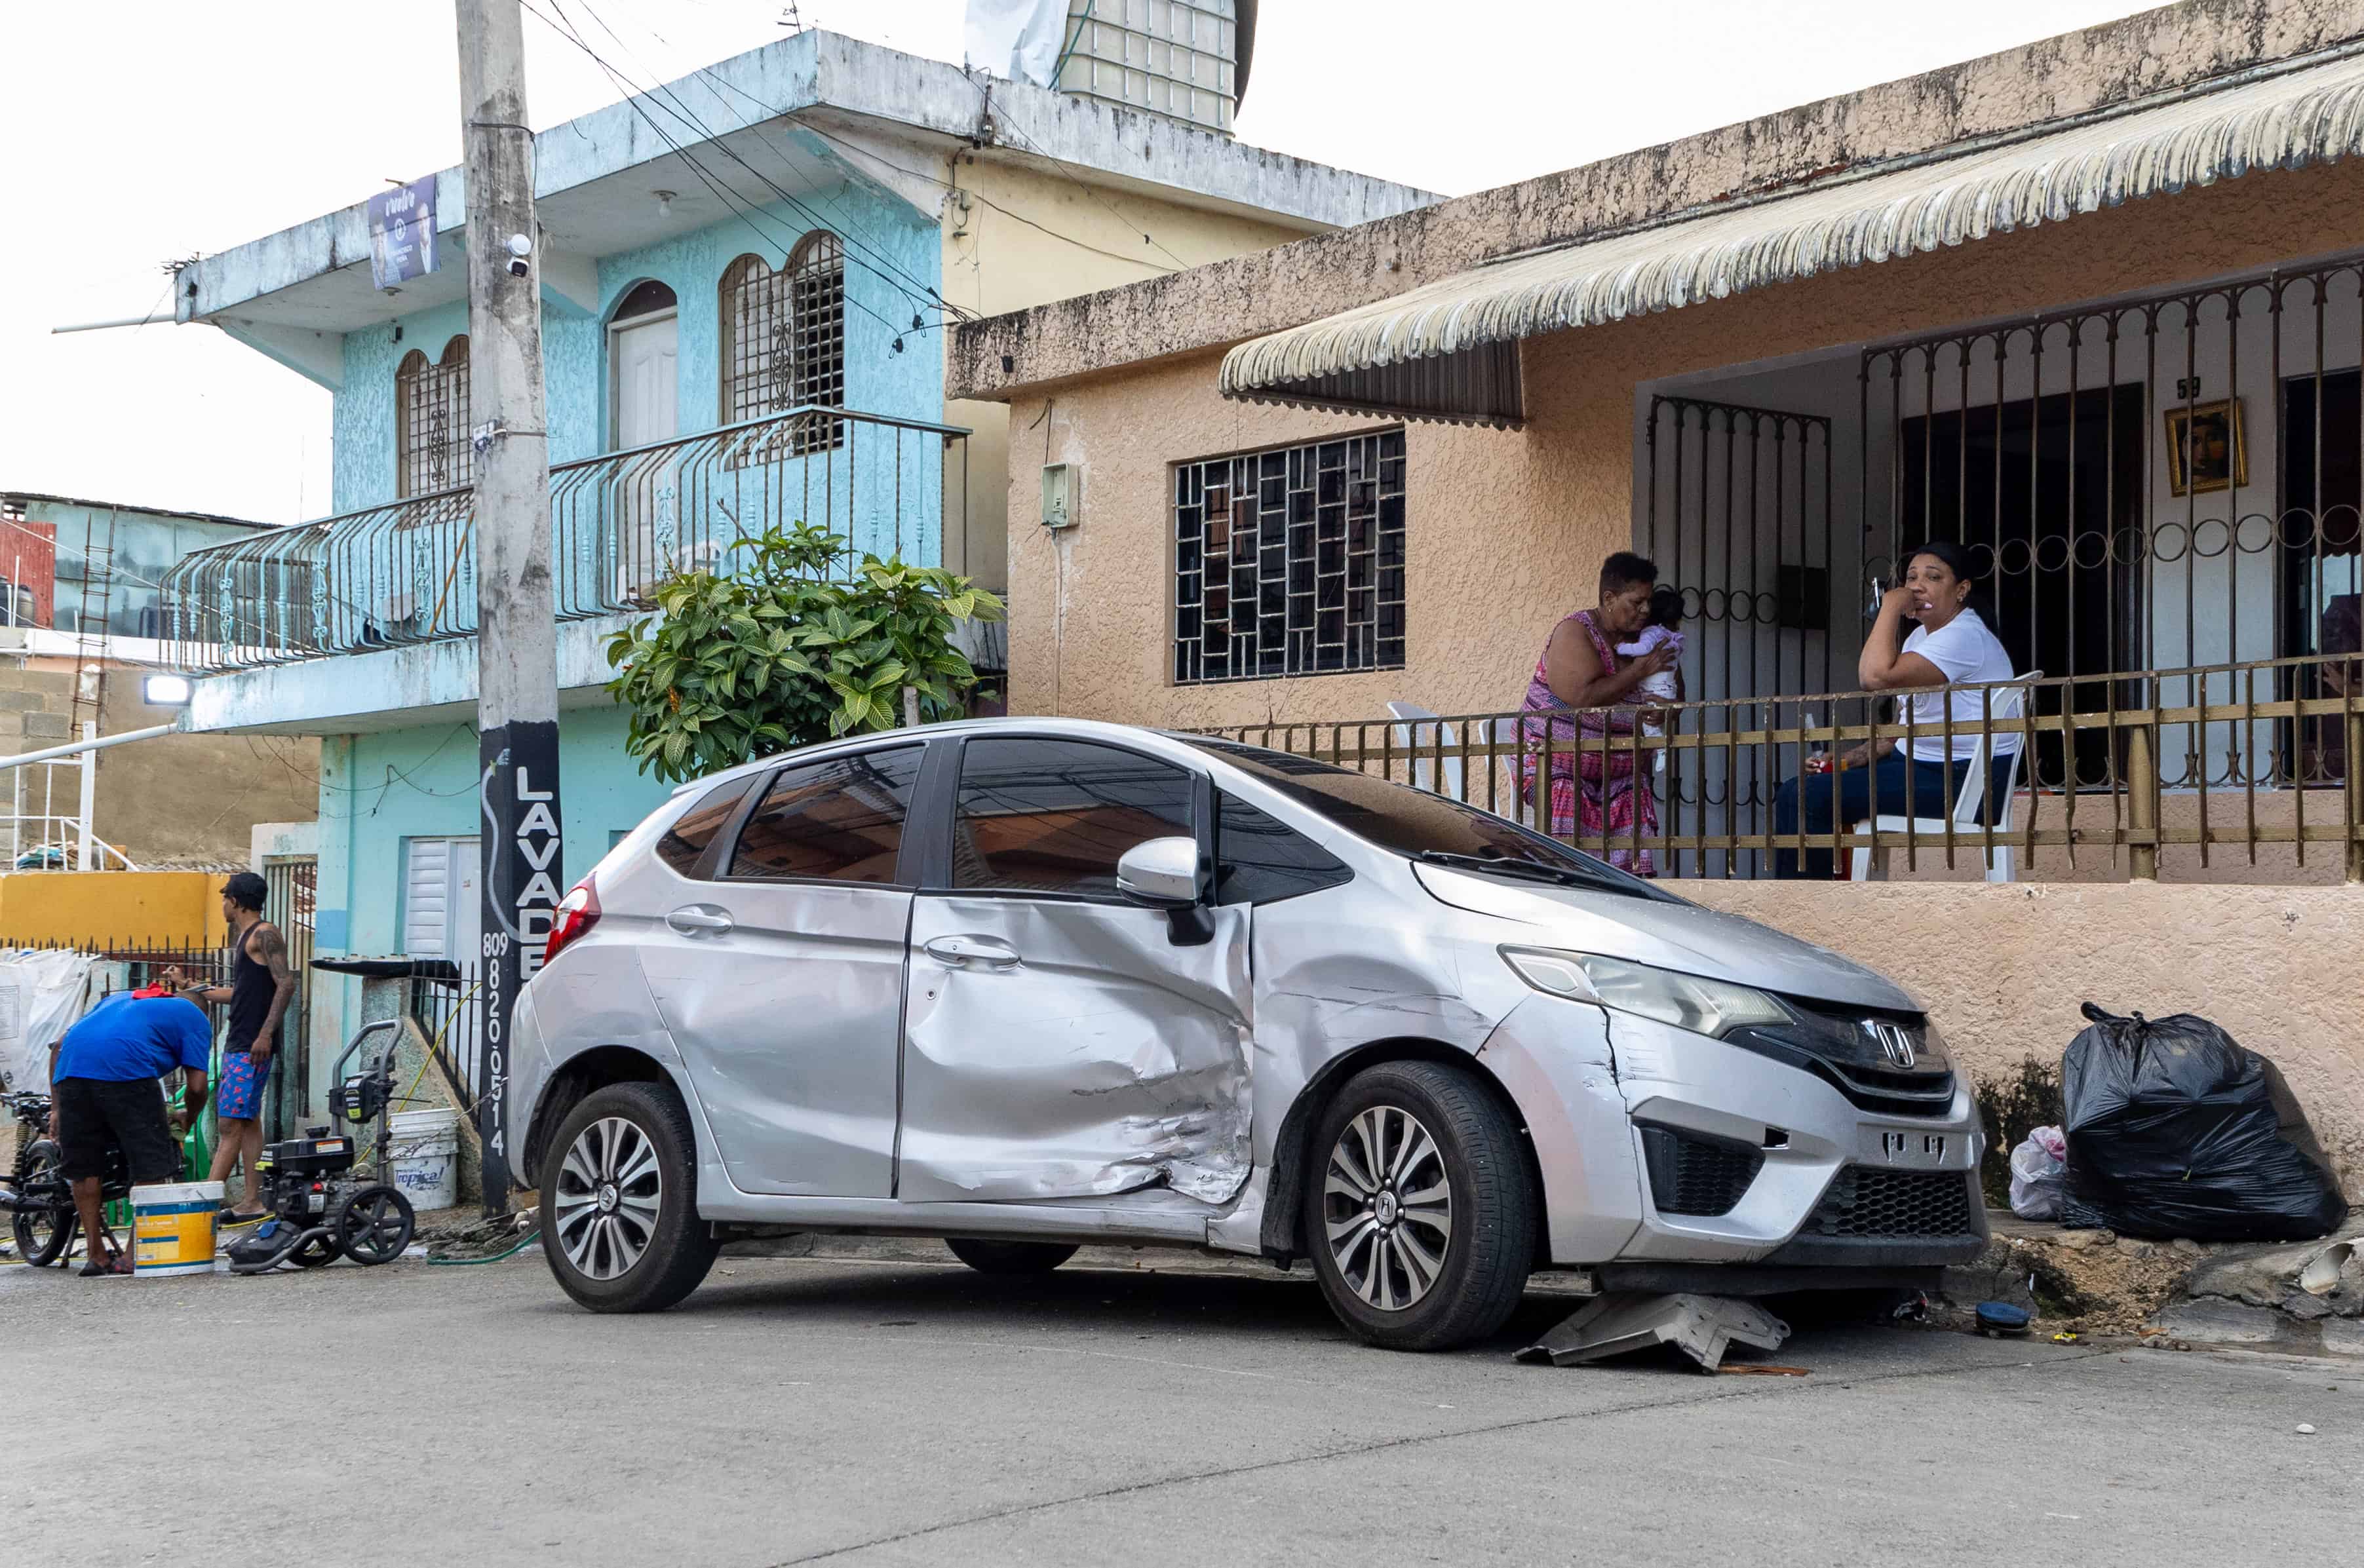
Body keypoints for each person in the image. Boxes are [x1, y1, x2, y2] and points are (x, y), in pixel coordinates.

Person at [1771, 540, 2022, 877]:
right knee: (1798, 790)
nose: (1917, 586)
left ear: (1961, 590)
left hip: (1966, 783)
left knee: (1805, 796)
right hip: (1918, 769)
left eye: (1933, 578)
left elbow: (1875, 677)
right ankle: (1801, 899)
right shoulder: (1921, 638)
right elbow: (1905, 723)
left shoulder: (1964, 636)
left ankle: (1806, 906)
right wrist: (1852, 758)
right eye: (1911, 577)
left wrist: (1890, 606)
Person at [1519, 552, 1680, 875]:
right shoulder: (1575, 632)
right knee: (1565, 797)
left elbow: (1673, 688)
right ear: (1609, 598)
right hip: (1558, 766)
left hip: (1622, 773)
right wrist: (1638, 672)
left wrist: (1664, 713)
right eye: (1637, 602)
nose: (1646, 610)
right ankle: (1565, 884)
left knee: (1635, 796)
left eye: (1649, 601)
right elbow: (1583, 697)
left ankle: (1628, 891)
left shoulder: (1647, 637)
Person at [47, 986, 212, 1276]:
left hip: (72, 1071)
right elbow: (197, 1086)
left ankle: (96, 1254)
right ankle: (133, 1255)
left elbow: (59, 1046)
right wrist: (191, 1117)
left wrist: (57, 1109)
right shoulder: (195, 1017)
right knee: (151, 1165)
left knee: (84, 1168)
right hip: (128, 1072)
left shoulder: (119, 999)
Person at [174, 871, 295, 1225]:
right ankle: (252, 1200)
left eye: (226, 899)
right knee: (248, 1120)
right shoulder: (246, 940)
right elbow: (242, 994)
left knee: (230, 1124)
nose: (223, 904)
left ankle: (203, 1207)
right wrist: (192, 988)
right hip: (241, 1042)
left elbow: (285, 985)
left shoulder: (264, 934)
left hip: (251, 1046)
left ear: (237, 901)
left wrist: (265, 1034)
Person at [1616, 585, 1687, 732]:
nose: (1644, 610)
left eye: (1646, 605)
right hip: (1617, 735)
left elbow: (1679, 694)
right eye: (1637, 603)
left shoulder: (1657, 640)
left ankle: (1661, 753)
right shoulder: (1668, 638)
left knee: (1654, 736)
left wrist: (1670, 708)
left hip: (1652, 706)